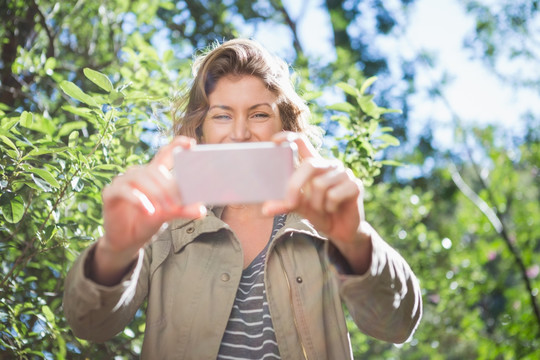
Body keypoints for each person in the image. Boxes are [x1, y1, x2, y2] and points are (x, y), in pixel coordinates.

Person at [63, 38, 422, 359]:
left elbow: (397, 326)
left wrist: (354, 240)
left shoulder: (325, 218)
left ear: (285, 126)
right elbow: (89, 325)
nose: (239, 132)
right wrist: (115, 251)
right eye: (222, 115)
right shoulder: (163, 224)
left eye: (259, 114)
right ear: (199, 127)